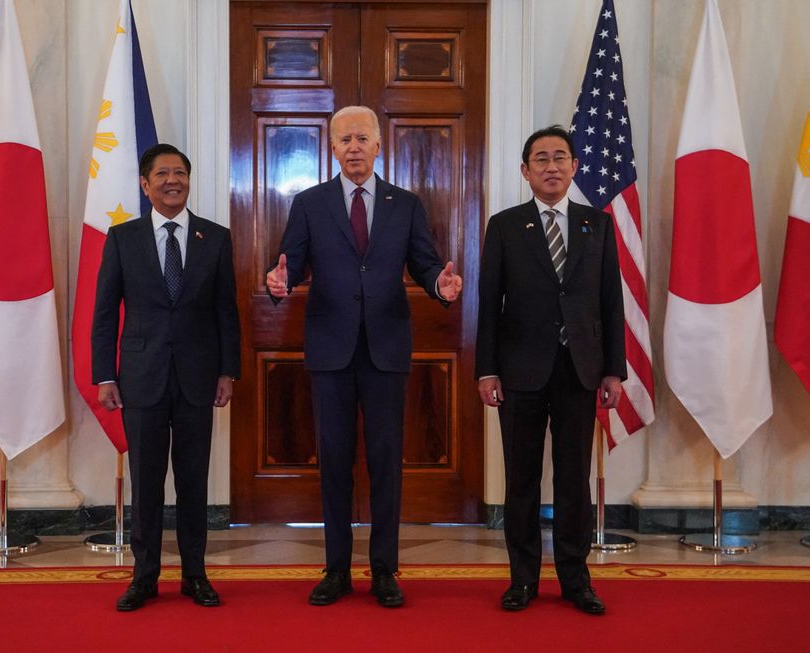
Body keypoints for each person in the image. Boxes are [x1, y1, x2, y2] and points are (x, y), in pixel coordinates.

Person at [266, 106, 463, 608]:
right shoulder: (310, 203)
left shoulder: (406, 203)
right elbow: (291, 261)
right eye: (344, 139)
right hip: (330, 349)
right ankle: (335, 570)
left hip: (386, 348)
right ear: (331, 148)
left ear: (379, 146)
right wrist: (279, 281)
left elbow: (425, 262)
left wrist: (439, 284)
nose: (353, 147)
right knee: (333, 462)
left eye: (362, 138)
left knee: (384, 463)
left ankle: (383, 570)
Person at [476, 125, 625, 615]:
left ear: (575, 166)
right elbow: (488, 305)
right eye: (540, 159)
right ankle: (521, 580)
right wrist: (486, 370)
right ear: (525, 171)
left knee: (572, 482)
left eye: (560, 157)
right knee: (521, 480)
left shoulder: (596, 225)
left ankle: (575, 580)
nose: (551, 166)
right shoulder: (504, 225)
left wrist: (613, 371)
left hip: (580, 370)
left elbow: (610, 302)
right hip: (519, 372)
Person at [92, 143, 240, 612]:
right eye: (162, 174)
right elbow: (102, 314)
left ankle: (196, 575)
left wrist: (227, 371)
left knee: (194, 481)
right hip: (141, 377)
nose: (172, 180)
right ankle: (144, 576)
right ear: (145, 184)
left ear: (189, 181)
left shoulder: (214, 238)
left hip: (199, 378)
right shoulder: (122, 238)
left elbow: (225, 312)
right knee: (147, 480)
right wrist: (104, 375)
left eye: (180, 173)